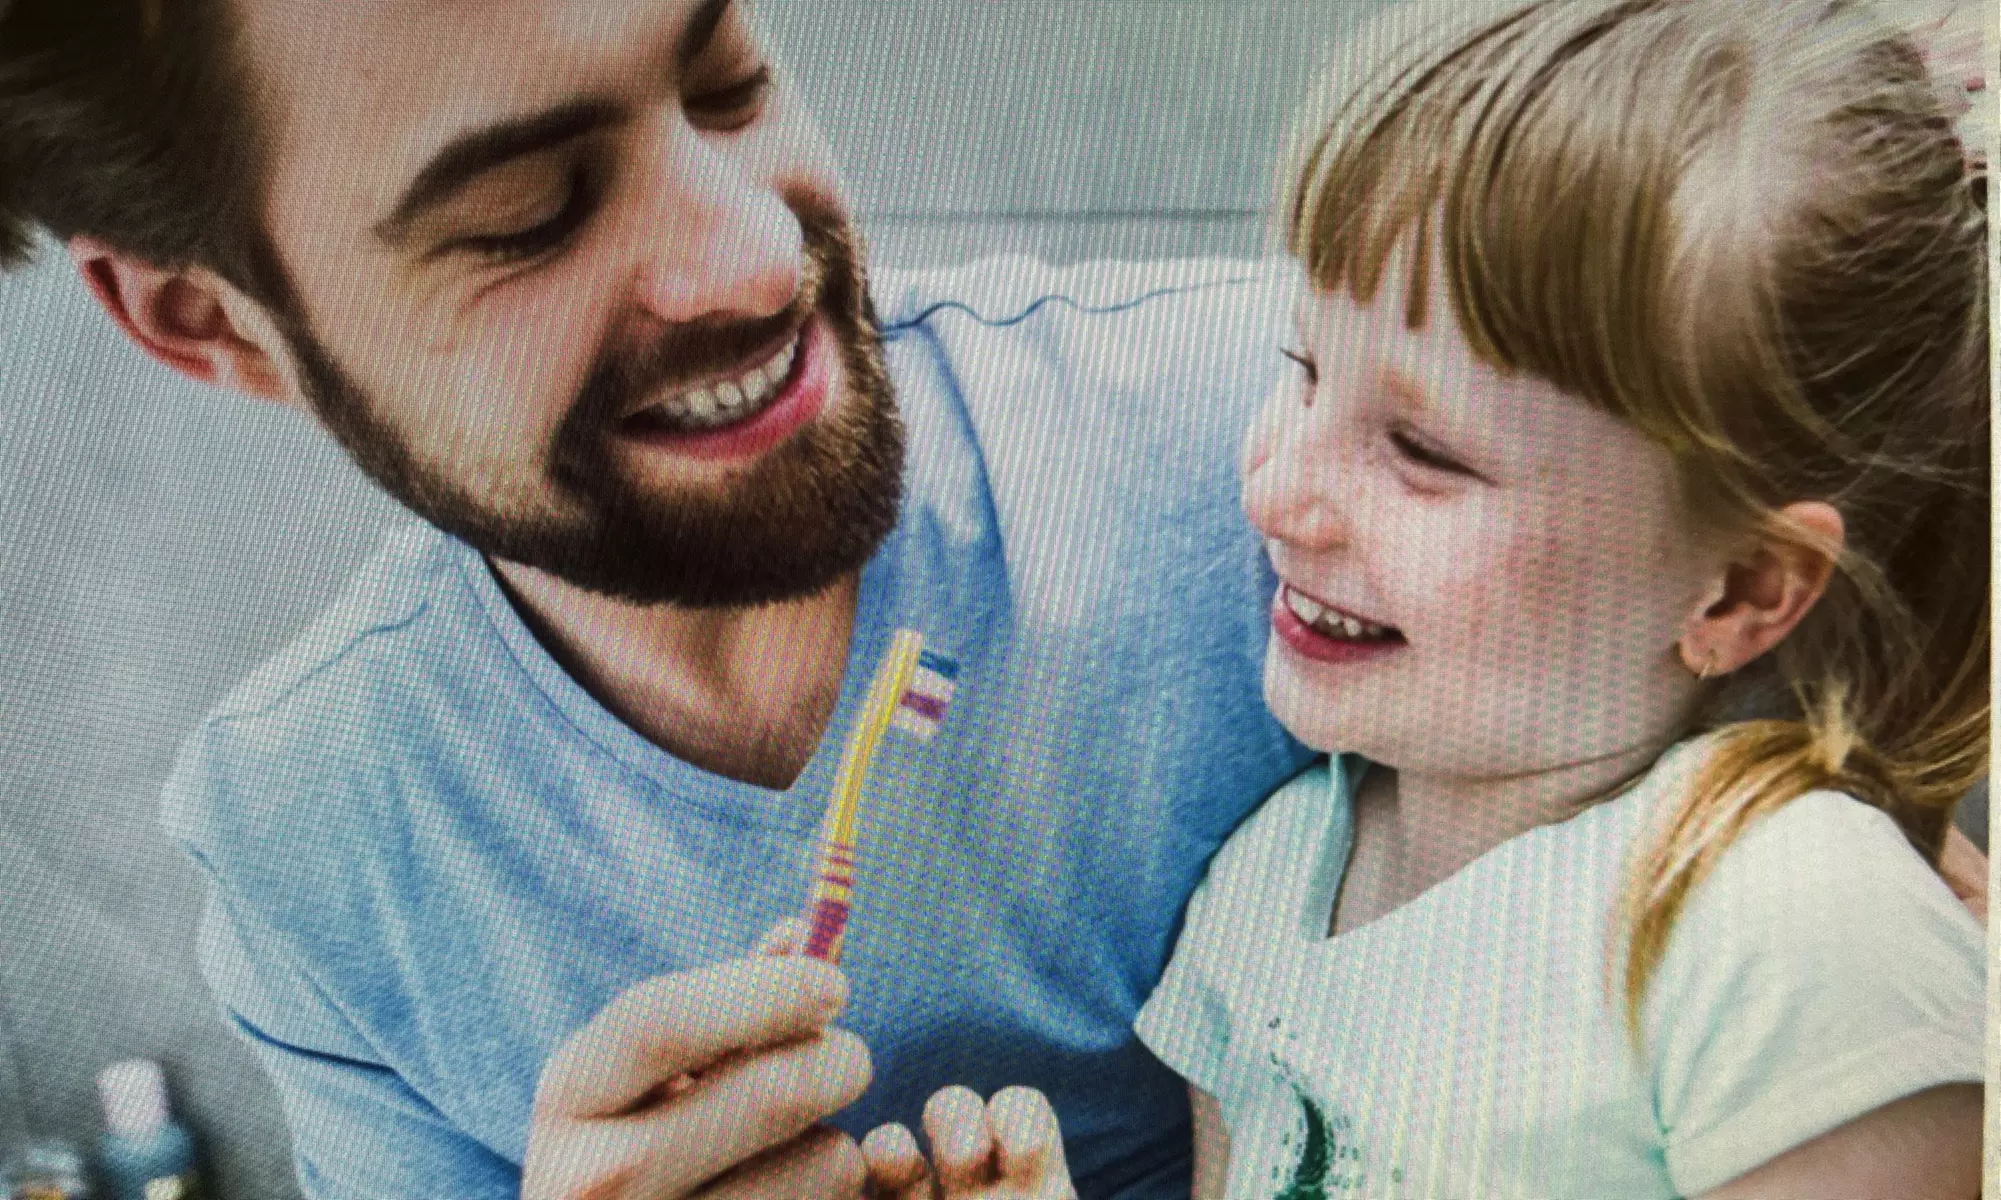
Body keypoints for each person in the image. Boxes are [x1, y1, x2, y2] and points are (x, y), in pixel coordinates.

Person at [0, 1, 1325, 1197]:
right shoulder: (312, 847)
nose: (754, 262)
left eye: (727, 80)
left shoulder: (1305, 438)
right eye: (528, 210)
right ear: (209, 321)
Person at [862, 0, 1992, 1196]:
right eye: (1301, 368)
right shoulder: (1268, 880)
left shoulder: (1789, 932)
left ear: (1744, 590)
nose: (1282, 493)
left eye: (1422, 449)